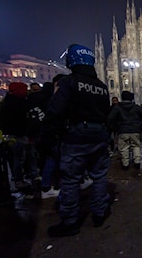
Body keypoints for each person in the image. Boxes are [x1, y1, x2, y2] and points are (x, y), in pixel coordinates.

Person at [43, 44, 111, 237]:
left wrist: (48, 137)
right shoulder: (102, 86)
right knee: (99, 176)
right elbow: (106, 112)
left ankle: (71, 220)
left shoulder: (69, 82)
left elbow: (55, 111)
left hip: (76, 137)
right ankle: (99, 213)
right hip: (99, 136)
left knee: (71, 180)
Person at [107, 91, 142, 172]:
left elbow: (110, 119)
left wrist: (115, 128)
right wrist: (139, 123)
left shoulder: (117, 107)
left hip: (122, 131)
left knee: (124, 148)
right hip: (135, 130)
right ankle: (137, 163)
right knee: (136, 146)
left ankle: (125, 164)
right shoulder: (136, 107)